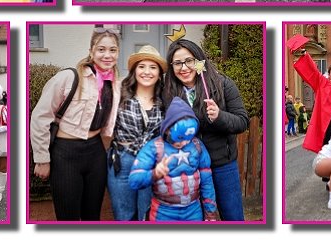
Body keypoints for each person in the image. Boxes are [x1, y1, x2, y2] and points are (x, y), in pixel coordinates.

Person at [31, 26, 121, 220]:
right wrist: (42, 158)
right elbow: (40, 117)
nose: (107, 55)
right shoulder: (69, 77)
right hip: (66, 154)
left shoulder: (115, 84)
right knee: (67, 217)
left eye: (112, 50)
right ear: (91, 51)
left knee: (92, 216)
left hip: (95, 153)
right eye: (101, 49)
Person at [162, 38, 248, 220]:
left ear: (199, 61)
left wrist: (219, 116)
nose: (184, 68)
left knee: (232, 216)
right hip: (187, 168)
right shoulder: (168, 91)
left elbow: (242, 121)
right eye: (177, 63)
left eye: (189, 61)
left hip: (222, 165)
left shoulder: (222, 84)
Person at [128, 97, 218, 221]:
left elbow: (207, 181)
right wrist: (155, 174)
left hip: (193, 211)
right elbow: (134, 181)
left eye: (188, 138)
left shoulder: (197, 146)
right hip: (163, 212)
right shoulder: (154, 147)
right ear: (168, 129)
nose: (184, 143)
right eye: (180, 138)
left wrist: (210, 212)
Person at [109, 45, 167, 221]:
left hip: (151, 162)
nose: (147, 72)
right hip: (122, 159)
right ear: (134, 70)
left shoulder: (164, 99)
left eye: (153, 67)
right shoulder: (119, 92)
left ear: (159, 73)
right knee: (124, 214)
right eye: (141, 66)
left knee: (146, 212)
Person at [288, 36, 331, 153]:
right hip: (328, 120)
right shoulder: (323, 84)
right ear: (329, 75)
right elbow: (313, 72)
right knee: (329, 146)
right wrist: (305, 53)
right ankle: (328, 167)